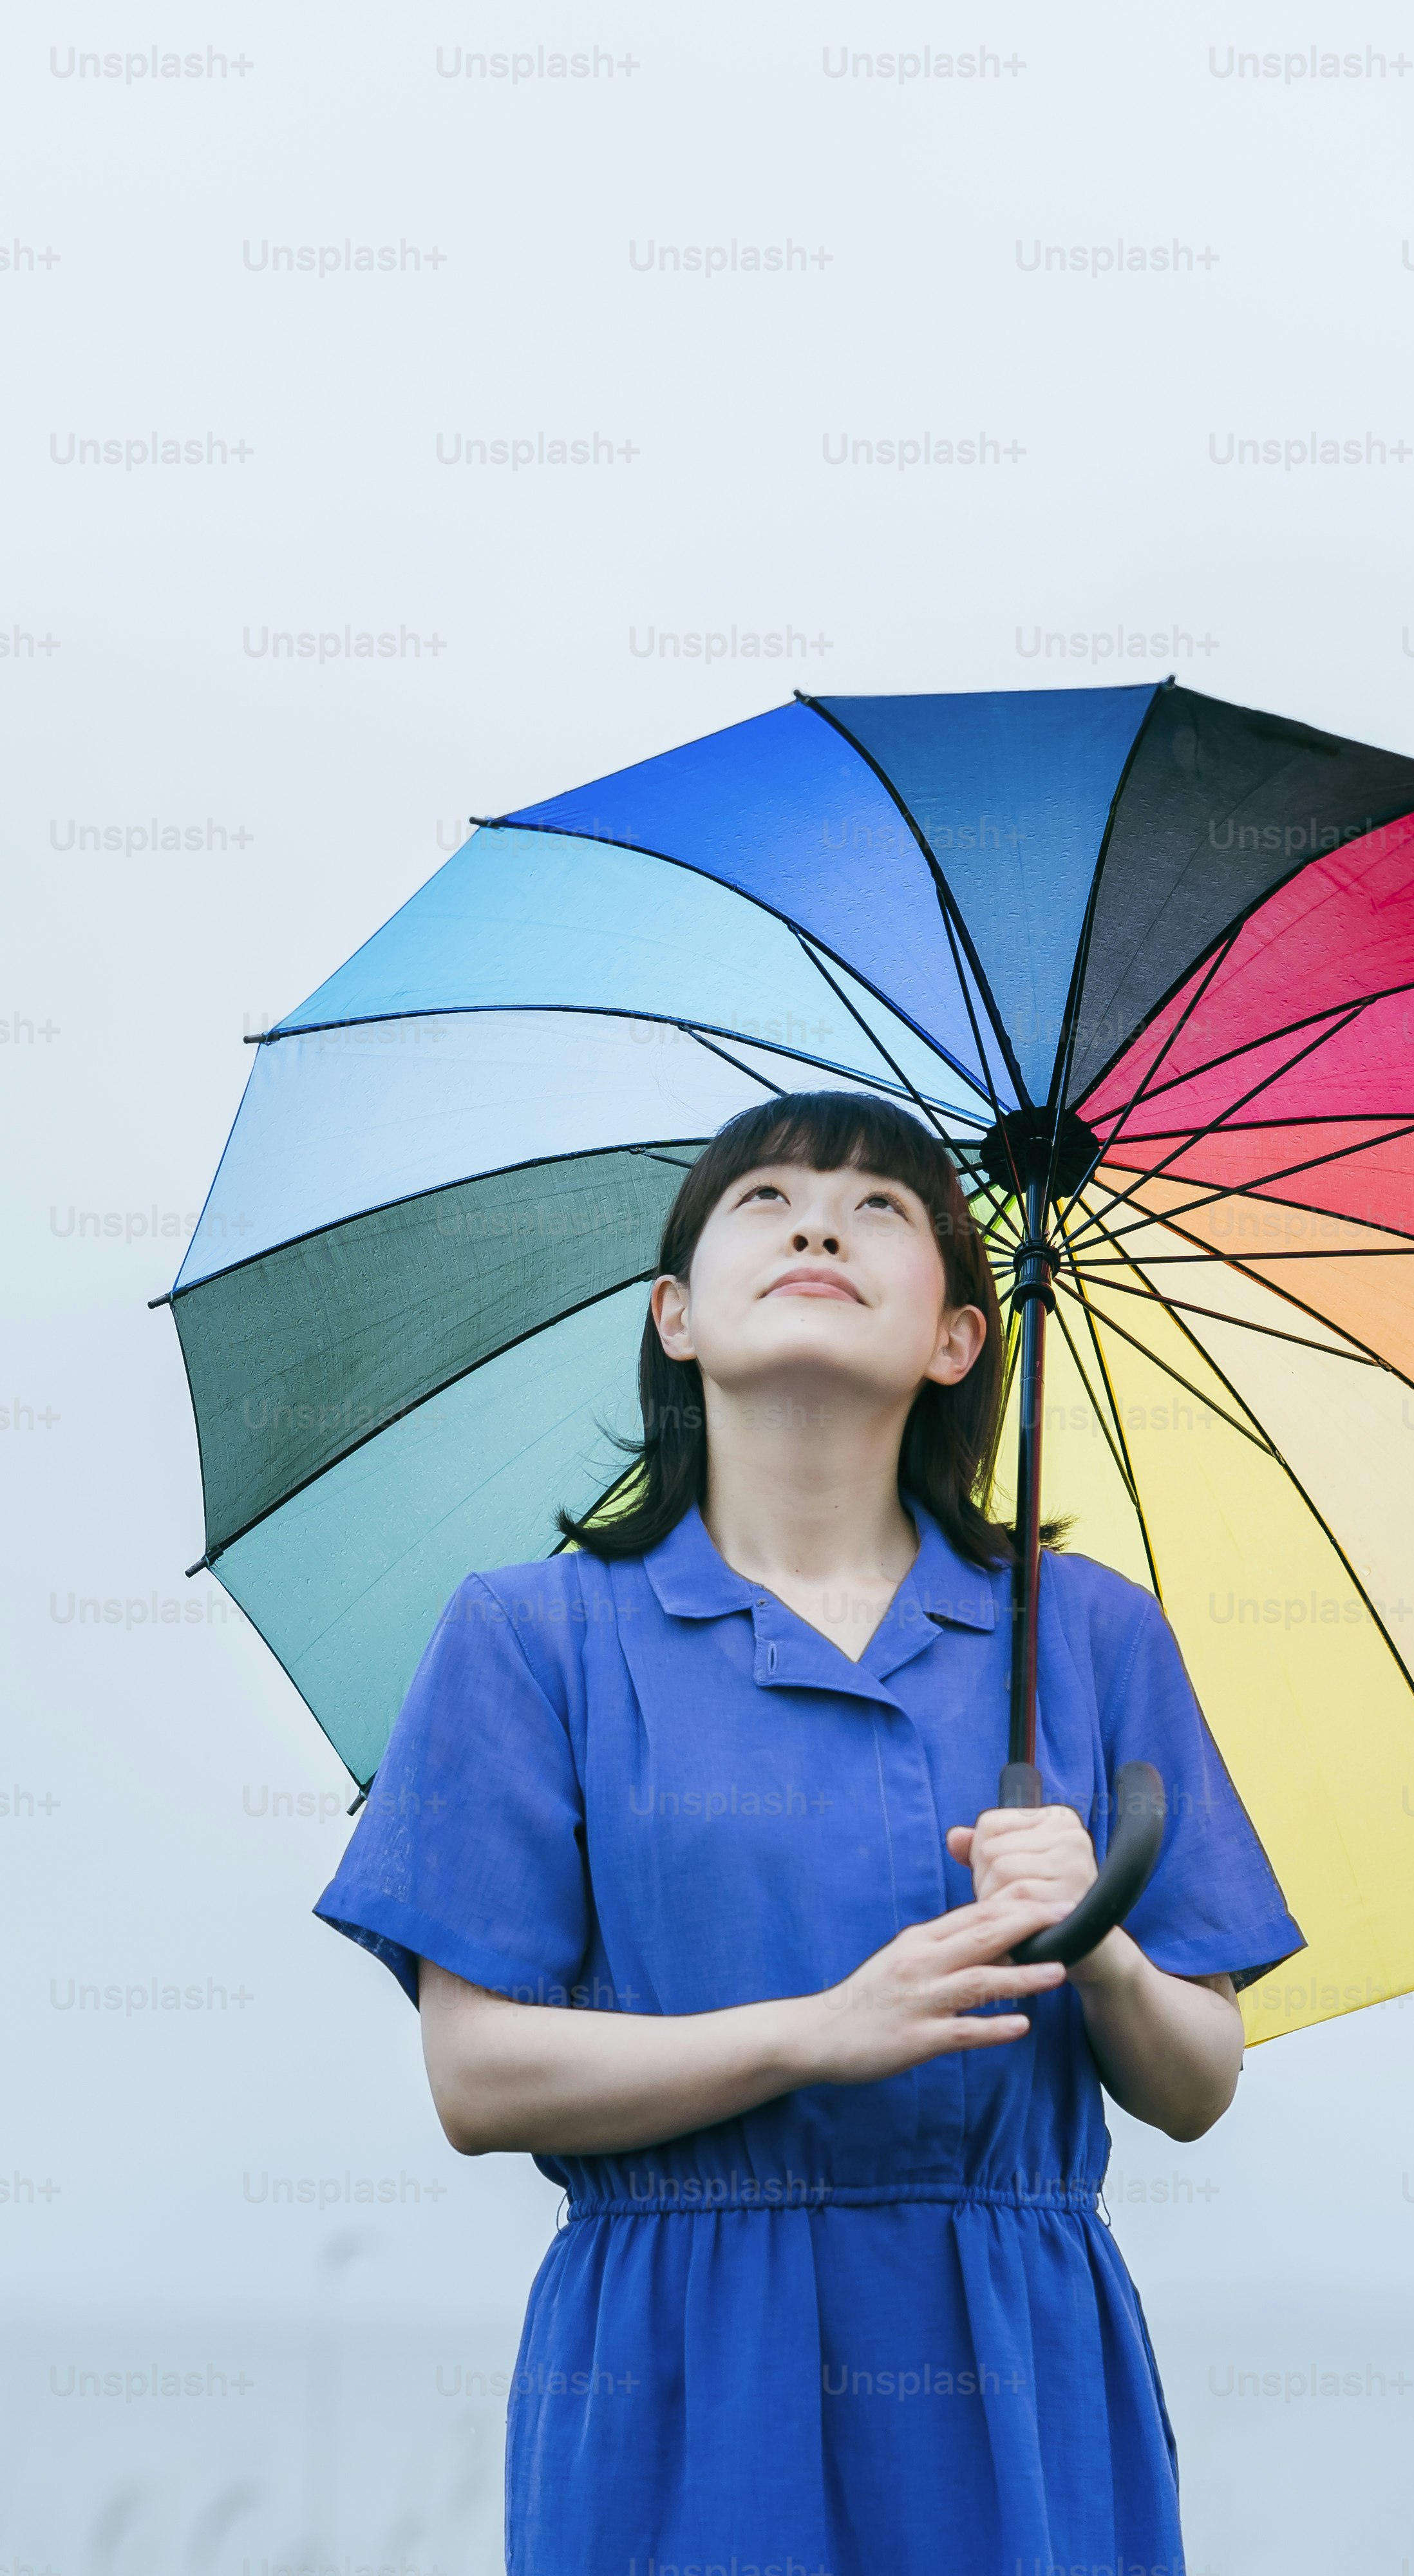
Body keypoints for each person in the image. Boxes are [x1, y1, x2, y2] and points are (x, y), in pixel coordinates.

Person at [314, 1087, 1302, 2575]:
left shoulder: (1087, 1634)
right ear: (675, 1315)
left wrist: (1098, 1951)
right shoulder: (534, 1637)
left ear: (959, 1337)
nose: (822, 1220)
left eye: (884, 1206)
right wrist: (820, 2029)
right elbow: (478, 2072)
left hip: (1014, 2367)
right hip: (681, 2374)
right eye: (764, 1200)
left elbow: (1198, 2078)